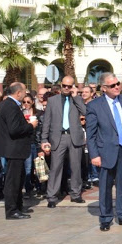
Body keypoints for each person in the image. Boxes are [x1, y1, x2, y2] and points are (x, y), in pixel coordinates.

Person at [86, 73, 122, 231]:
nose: (117, 87)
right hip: (106, 151)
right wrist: (94, 155)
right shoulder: (95, 105)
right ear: (103, 88)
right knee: (105, 186)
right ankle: (106, 217)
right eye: (112, 85)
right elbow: (91, 133)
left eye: (118, 84)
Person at [0, 82, 38, 220]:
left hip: (15, 149)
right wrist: (30, 126)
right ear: (18, 93)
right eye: (24, 92)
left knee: (18, 179)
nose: (25, 95)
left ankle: (17, 206)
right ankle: (12, 210)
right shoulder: (10, 106)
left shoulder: (8, 104)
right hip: (13, 149)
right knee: (13, 180)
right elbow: (14, 129)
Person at [41, 76, 87, 207]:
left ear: (73, 87)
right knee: (55, 168)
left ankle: (76, 194)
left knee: (76, 167)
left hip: (74, 137)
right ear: (61, 85)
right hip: (58, 137)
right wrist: (44, 139)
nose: (66, 88)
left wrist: (75, 97)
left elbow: (85, 112)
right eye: (64, 86)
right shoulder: (52, 100)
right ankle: (51, 196)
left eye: (69, 86)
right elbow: (47, 122)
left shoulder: (77, 100)